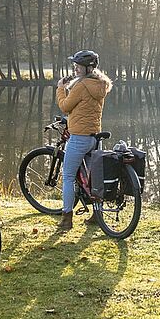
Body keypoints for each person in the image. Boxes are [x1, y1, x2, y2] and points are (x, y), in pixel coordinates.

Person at [56, 49, 113, 230]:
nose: (75, 69)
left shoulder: (81, 86)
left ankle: (66, 219)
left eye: (78, 66)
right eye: (75, 66)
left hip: (79, 137)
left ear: (88, 68)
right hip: (95, 137)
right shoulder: (101, 84)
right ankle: (97, 215)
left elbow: (65, 107)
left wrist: (60, 88)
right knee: (94, 179)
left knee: (68, 177)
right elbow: (84, 107)